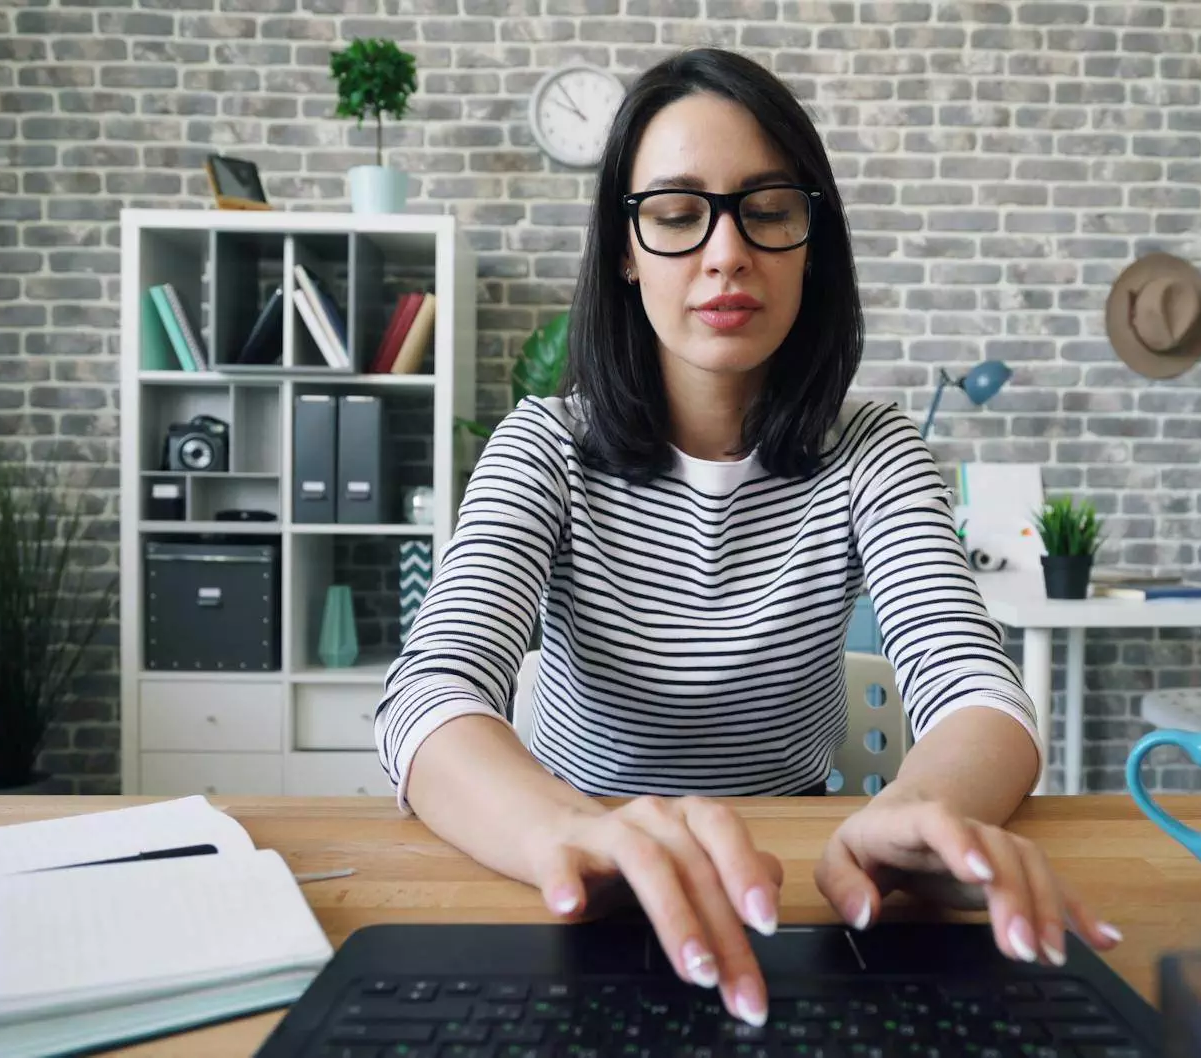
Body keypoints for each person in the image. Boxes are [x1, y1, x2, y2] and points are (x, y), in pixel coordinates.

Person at [373, 46, 1120, 1029]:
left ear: (812, 241)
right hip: (563, 860)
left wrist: (912, 809)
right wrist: (574, 828)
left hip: (790, 882)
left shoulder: (870, 449)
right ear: (625, 249)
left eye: (765, 209)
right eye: (678, 214)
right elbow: (428, 690)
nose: (725, 252)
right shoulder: (542, 444)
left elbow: (976, 690)